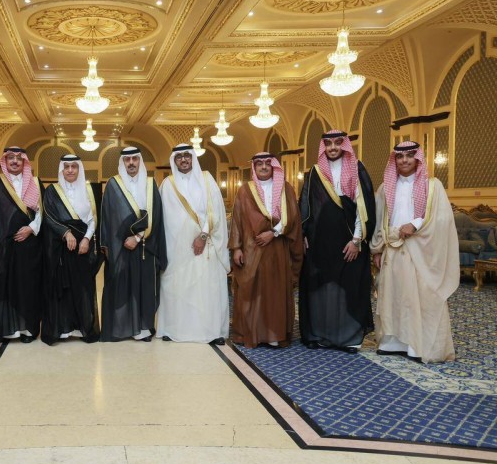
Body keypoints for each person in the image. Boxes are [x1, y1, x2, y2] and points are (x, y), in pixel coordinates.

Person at [370, 141, 458, 363]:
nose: (405, 160)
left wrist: (415, 224)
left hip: (420, 250)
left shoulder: (433, 186)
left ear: (417, 158)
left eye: (410, 156)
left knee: (420, 298)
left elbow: (442, 218)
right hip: (392, 250)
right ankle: (391, 344)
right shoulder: (385, 188)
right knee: (393, 297)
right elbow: (379, 221)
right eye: (400, 157)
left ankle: (417, 347)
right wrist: (377, 250)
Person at [299, 130, 376, 353]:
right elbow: (305, 205)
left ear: (345, 145)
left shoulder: (357, 168)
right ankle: (320, 334)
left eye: (337, 143)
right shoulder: (315, 172)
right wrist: (303, 234)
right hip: (320, 243)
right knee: (321, 289)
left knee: (349, 288)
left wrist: (356, 240)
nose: (332, 147)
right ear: (323, 146)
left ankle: (349, 338)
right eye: (328, 143)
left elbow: (363, 207)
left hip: (349, 241)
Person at [229, 153, 303, 348]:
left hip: (277, 248)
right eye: (259, 164)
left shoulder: (286, 188)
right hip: (250, 248)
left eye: (267, 164)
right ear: (254, 167)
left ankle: (273, 335)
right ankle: (252, 333)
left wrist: (273, 233)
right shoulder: (245, 190)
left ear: (273, 167)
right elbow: (237, 220)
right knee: (252, 292)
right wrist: (236, 248)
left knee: (275, 291)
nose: (263, 167)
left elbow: (293, 217)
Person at [158, 144, 229, 344]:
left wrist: (203, 236)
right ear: (174, 160)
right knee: (176, 287)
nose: (183, 159)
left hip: (205, 246)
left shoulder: (207, 180)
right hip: (176, 249)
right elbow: (161, 219)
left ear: (193, 158)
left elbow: (216, 211)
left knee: (207, 288)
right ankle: (172, 329)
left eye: (187, 155)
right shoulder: (167, 184)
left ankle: (211, 332)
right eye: (179, 156)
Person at [0, 147, 44, 343]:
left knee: (27, 287)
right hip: (0, 247)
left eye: (19, 158)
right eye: (11, 158)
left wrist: (31, 228)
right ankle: (3, 330)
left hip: (28, 246)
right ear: (4, 161)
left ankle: (28, 330)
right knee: (2, 288)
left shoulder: (35, 183)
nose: (15, 161)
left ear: (25, 162)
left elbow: (43, 212)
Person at [100, 147, 167, 342]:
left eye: (134, 159)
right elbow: (106, 217)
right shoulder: (113, 184)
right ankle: (121, 328)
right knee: (122, 288)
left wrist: (137, 237)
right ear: (122, 162)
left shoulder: (150, 184)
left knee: (144, 288)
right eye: (127, 159)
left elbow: (156, 215)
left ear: (140, 161)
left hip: (145, 245)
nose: (131, 163)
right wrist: (110, 245)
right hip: (120, 248)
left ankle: (144, 329)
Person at [41, 154, 102, 345]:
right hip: (59, 248)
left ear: (79, 169)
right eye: (66, 166)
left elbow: (94, 219)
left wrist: (86, 239)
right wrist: (66, 233)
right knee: (61, 288)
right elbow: (48, 216)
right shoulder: (52, 191)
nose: (69, 170)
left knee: (82, 287)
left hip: (83, 247)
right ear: (61, 169)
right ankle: (61, 329)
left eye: (73, 166)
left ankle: (82, 327)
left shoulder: (90, 190)